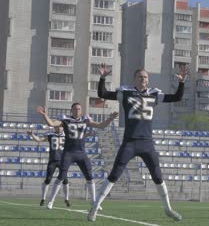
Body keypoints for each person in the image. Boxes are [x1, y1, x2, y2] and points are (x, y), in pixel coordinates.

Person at [87, 63, 189, 222]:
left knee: (158, 176)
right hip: (130, 142)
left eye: (145, 77)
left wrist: (182, 82)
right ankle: (95, 208)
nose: (143, 79)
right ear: (135, 79)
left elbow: (176, 97)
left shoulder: (154, 94)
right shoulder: (126, 92)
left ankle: (168, 208)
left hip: (147, 143)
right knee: (114, 175)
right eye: (140, 76)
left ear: (148, 80)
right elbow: (103, 93)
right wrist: (102, 78)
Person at [36, 103, 118, 209]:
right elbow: (51, 123)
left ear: (81, 110)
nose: (77, 110)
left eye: (79, 109)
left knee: (90, 176)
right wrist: (44, 115)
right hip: (68, 152)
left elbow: (101, 125)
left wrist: (110, 119)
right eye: (75, 109)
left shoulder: (85, 119)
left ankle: (93, 201)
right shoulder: (65, 119)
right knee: (61, 177)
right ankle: (51, 201)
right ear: (71, 110)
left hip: (81, 153)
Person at [27, 126, 71, 207]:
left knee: (65, 180)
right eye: (57, 126)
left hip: (63, 161)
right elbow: (39, 140)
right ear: (55, 127)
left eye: (61, 126)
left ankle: (66, 199)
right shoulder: (50, 135)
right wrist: (32, 135)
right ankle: (43, 198)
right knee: (48, 179)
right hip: (53, 160)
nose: (59, 128)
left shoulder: (67, 135)